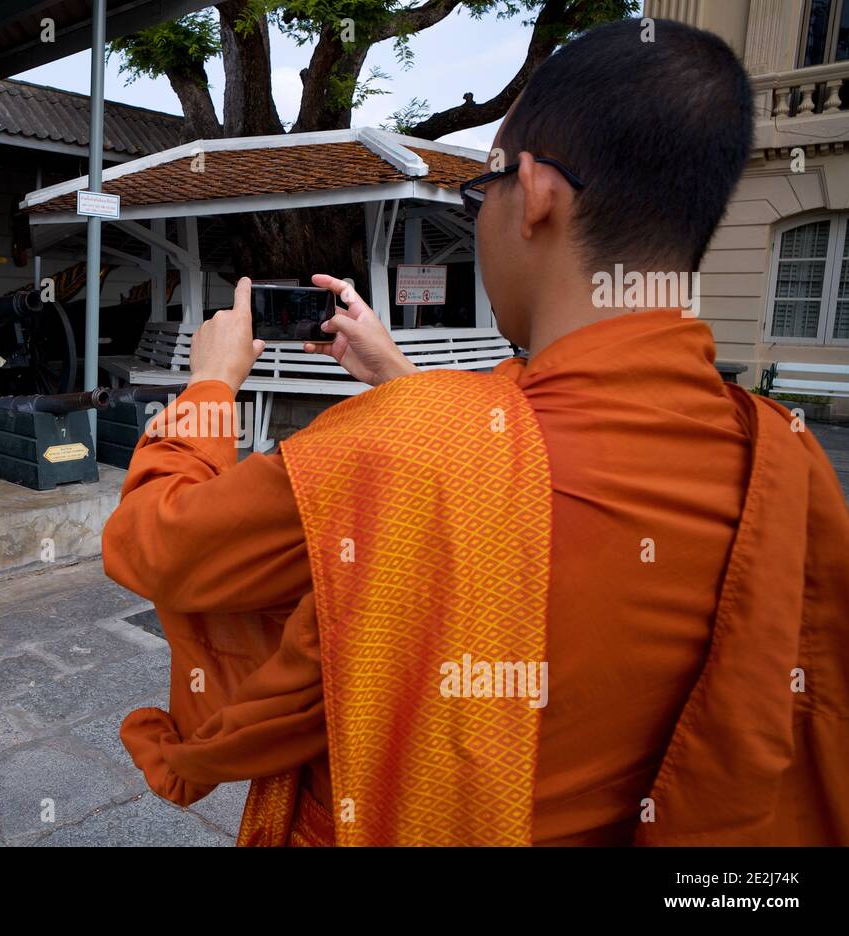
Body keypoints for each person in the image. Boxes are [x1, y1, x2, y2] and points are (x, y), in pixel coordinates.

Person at [101, 19, 849, 845]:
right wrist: (406, 383)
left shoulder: (401, 446)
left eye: (477, 190)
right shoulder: (787, 458)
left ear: (533, 194)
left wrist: (211, 383)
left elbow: (153, 546)